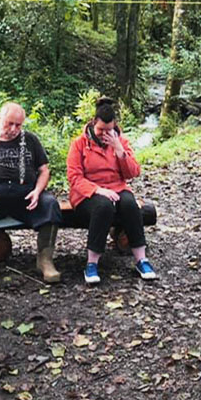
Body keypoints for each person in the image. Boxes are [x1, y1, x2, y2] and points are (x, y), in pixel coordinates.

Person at [0, 102, 63, 285]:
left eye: (18, 125)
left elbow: (44, 170)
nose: (14, 129)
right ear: (0, 119)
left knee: (51, 204)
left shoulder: (30, 140)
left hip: (25, 196)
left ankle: (45, 260)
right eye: (10, 124)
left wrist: (38, 191)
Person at [66, 97, 156, 284]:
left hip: (117, 187)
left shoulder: (121, 141)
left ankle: (141, 259)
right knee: (104, 207)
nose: (105, 134)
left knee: (131, 205)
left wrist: (120, 151)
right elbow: (74, 177)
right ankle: (92, 264)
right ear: (93, 123)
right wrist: (97, 190)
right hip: (87, 193)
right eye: (101, 130)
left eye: (109, 130)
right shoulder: (79, 144)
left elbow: (133, 172)